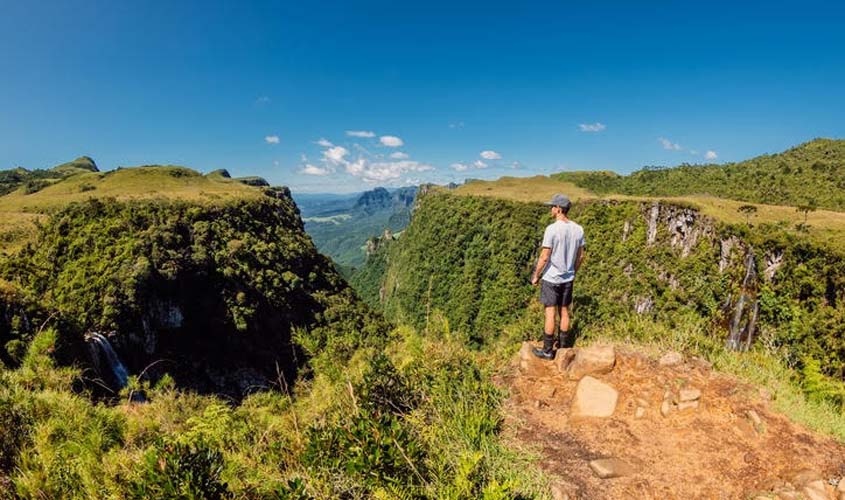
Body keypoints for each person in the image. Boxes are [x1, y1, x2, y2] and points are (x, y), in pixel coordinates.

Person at [531, 194, 586, 360]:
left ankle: (548, 351)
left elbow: (544, 256)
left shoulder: (552, 229)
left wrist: (536, 275)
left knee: (550, 313)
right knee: (564, 310)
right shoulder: (578, 229)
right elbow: (581, 256)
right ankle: (563, 348)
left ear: (559, 209)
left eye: (553, 206)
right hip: (568, 278)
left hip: (552, 278)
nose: (551, 209)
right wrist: (573, 271)